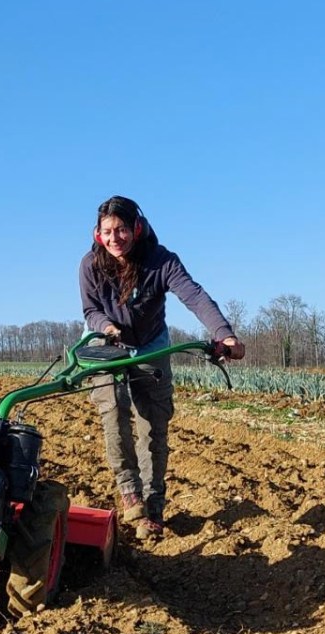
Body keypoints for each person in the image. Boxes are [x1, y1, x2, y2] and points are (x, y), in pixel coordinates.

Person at [79, 195, 244, 538]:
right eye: (107, 232)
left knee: (153, 424)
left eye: (122, 230)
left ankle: (152, 509)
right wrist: (107, 328)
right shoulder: (90, 266)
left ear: (136, 228)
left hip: (150, 343)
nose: (114, 239)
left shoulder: (160, 261)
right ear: (98, 234)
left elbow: (195, 296)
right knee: (113, 407)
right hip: (106, 342)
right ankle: (130, 492)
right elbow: (90, 311)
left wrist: (224, 335)